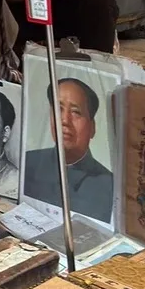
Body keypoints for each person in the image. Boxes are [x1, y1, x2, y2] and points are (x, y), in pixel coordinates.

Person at [23, 77, 113, 224]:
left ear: (92, 127)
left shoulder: (109, 186)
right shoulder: (28, 163)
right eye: (59, 109)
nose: (64, 120)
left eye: (76, 112)